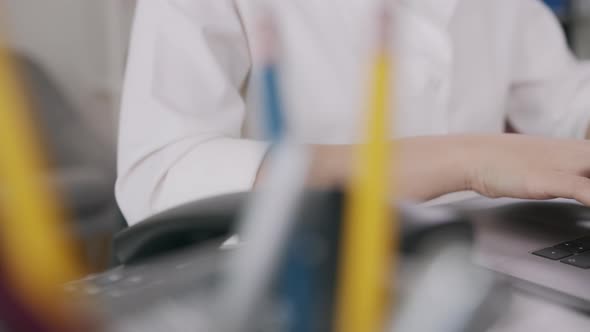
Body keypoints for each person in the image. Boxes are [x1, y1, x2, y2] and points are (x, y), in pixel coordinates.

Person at [116, 0, 590, 224]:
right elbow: (160, 174)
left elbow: (566, 103)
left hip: (476, 268)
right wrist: (465, 160)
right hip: (310, 270)